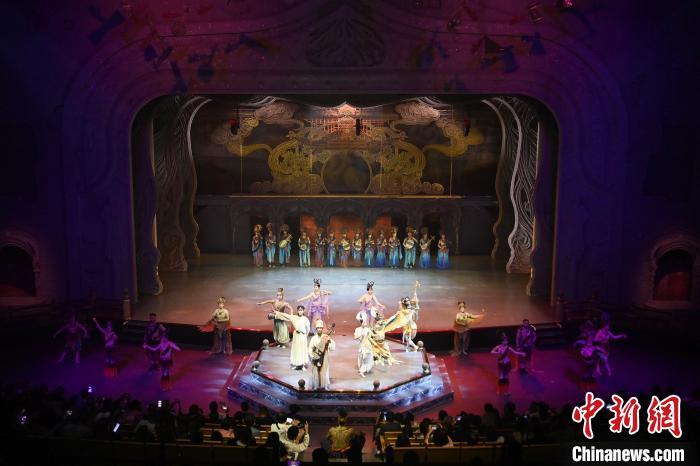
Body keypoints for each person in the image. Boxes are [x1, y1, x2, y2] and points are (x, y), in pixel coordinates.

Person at [274, 305, 311, 370]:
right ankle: (297, 364)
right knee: (296, 350)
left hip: (303, 336)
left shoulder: (305, 319)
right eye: (299, 310)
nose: (300, 311)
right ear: (297, 311)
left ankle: (302, 365)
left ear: (303, 311)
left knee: (302, 350)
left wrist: (305, 336)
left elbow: (308, 329)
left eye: (301, 310)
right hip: (296, 335)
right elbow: (286, 316)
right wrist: (277, 313)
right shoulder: (294, 317)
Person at [308, 320, 335, 390]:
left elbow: (332, 347)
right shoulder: (313, 338)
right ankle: (316, 385)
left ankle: (324, 385)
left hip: (324, 356)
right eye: (318, 328)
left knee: (324, 370)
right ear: (316, 329)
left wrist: (329, 342)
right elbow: (310, 348)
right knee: (315, 371)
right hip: (316, 357)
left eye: (320, 328)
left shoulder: (325, 336)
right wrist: (312, 356)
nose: (319, 329)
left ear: (322, 329)